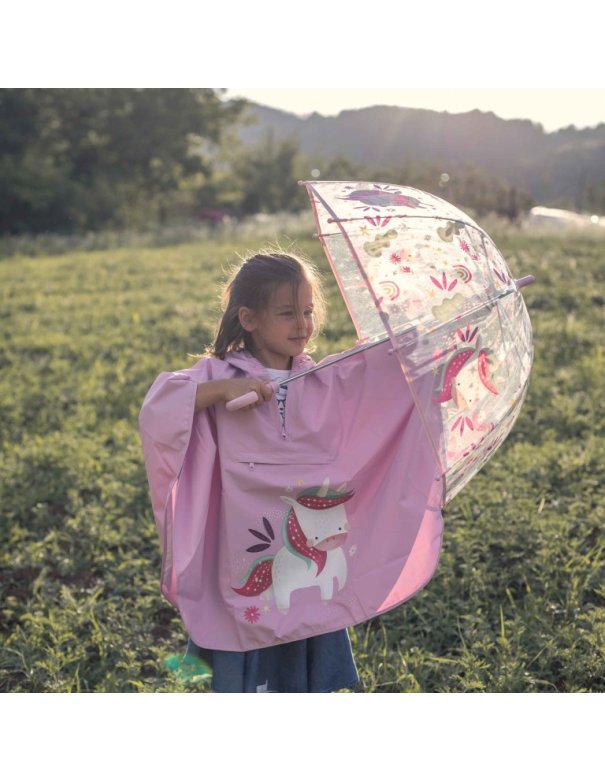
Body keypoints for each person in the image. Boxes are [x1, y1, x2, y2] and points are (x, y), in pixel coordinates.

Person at [139, 249, 444, 694]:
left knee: (309, 604)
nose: (302, 325)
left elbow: (375, 376)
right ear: (249, 318)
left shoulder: (322, 379)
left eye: (307, 312)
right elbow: (158, 409)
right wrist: (226, 388)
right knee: (250, 618)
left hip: (309, 542)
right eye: (287, 313)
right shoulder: (218, 373)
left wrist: (423, 346)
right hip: (240, 541)